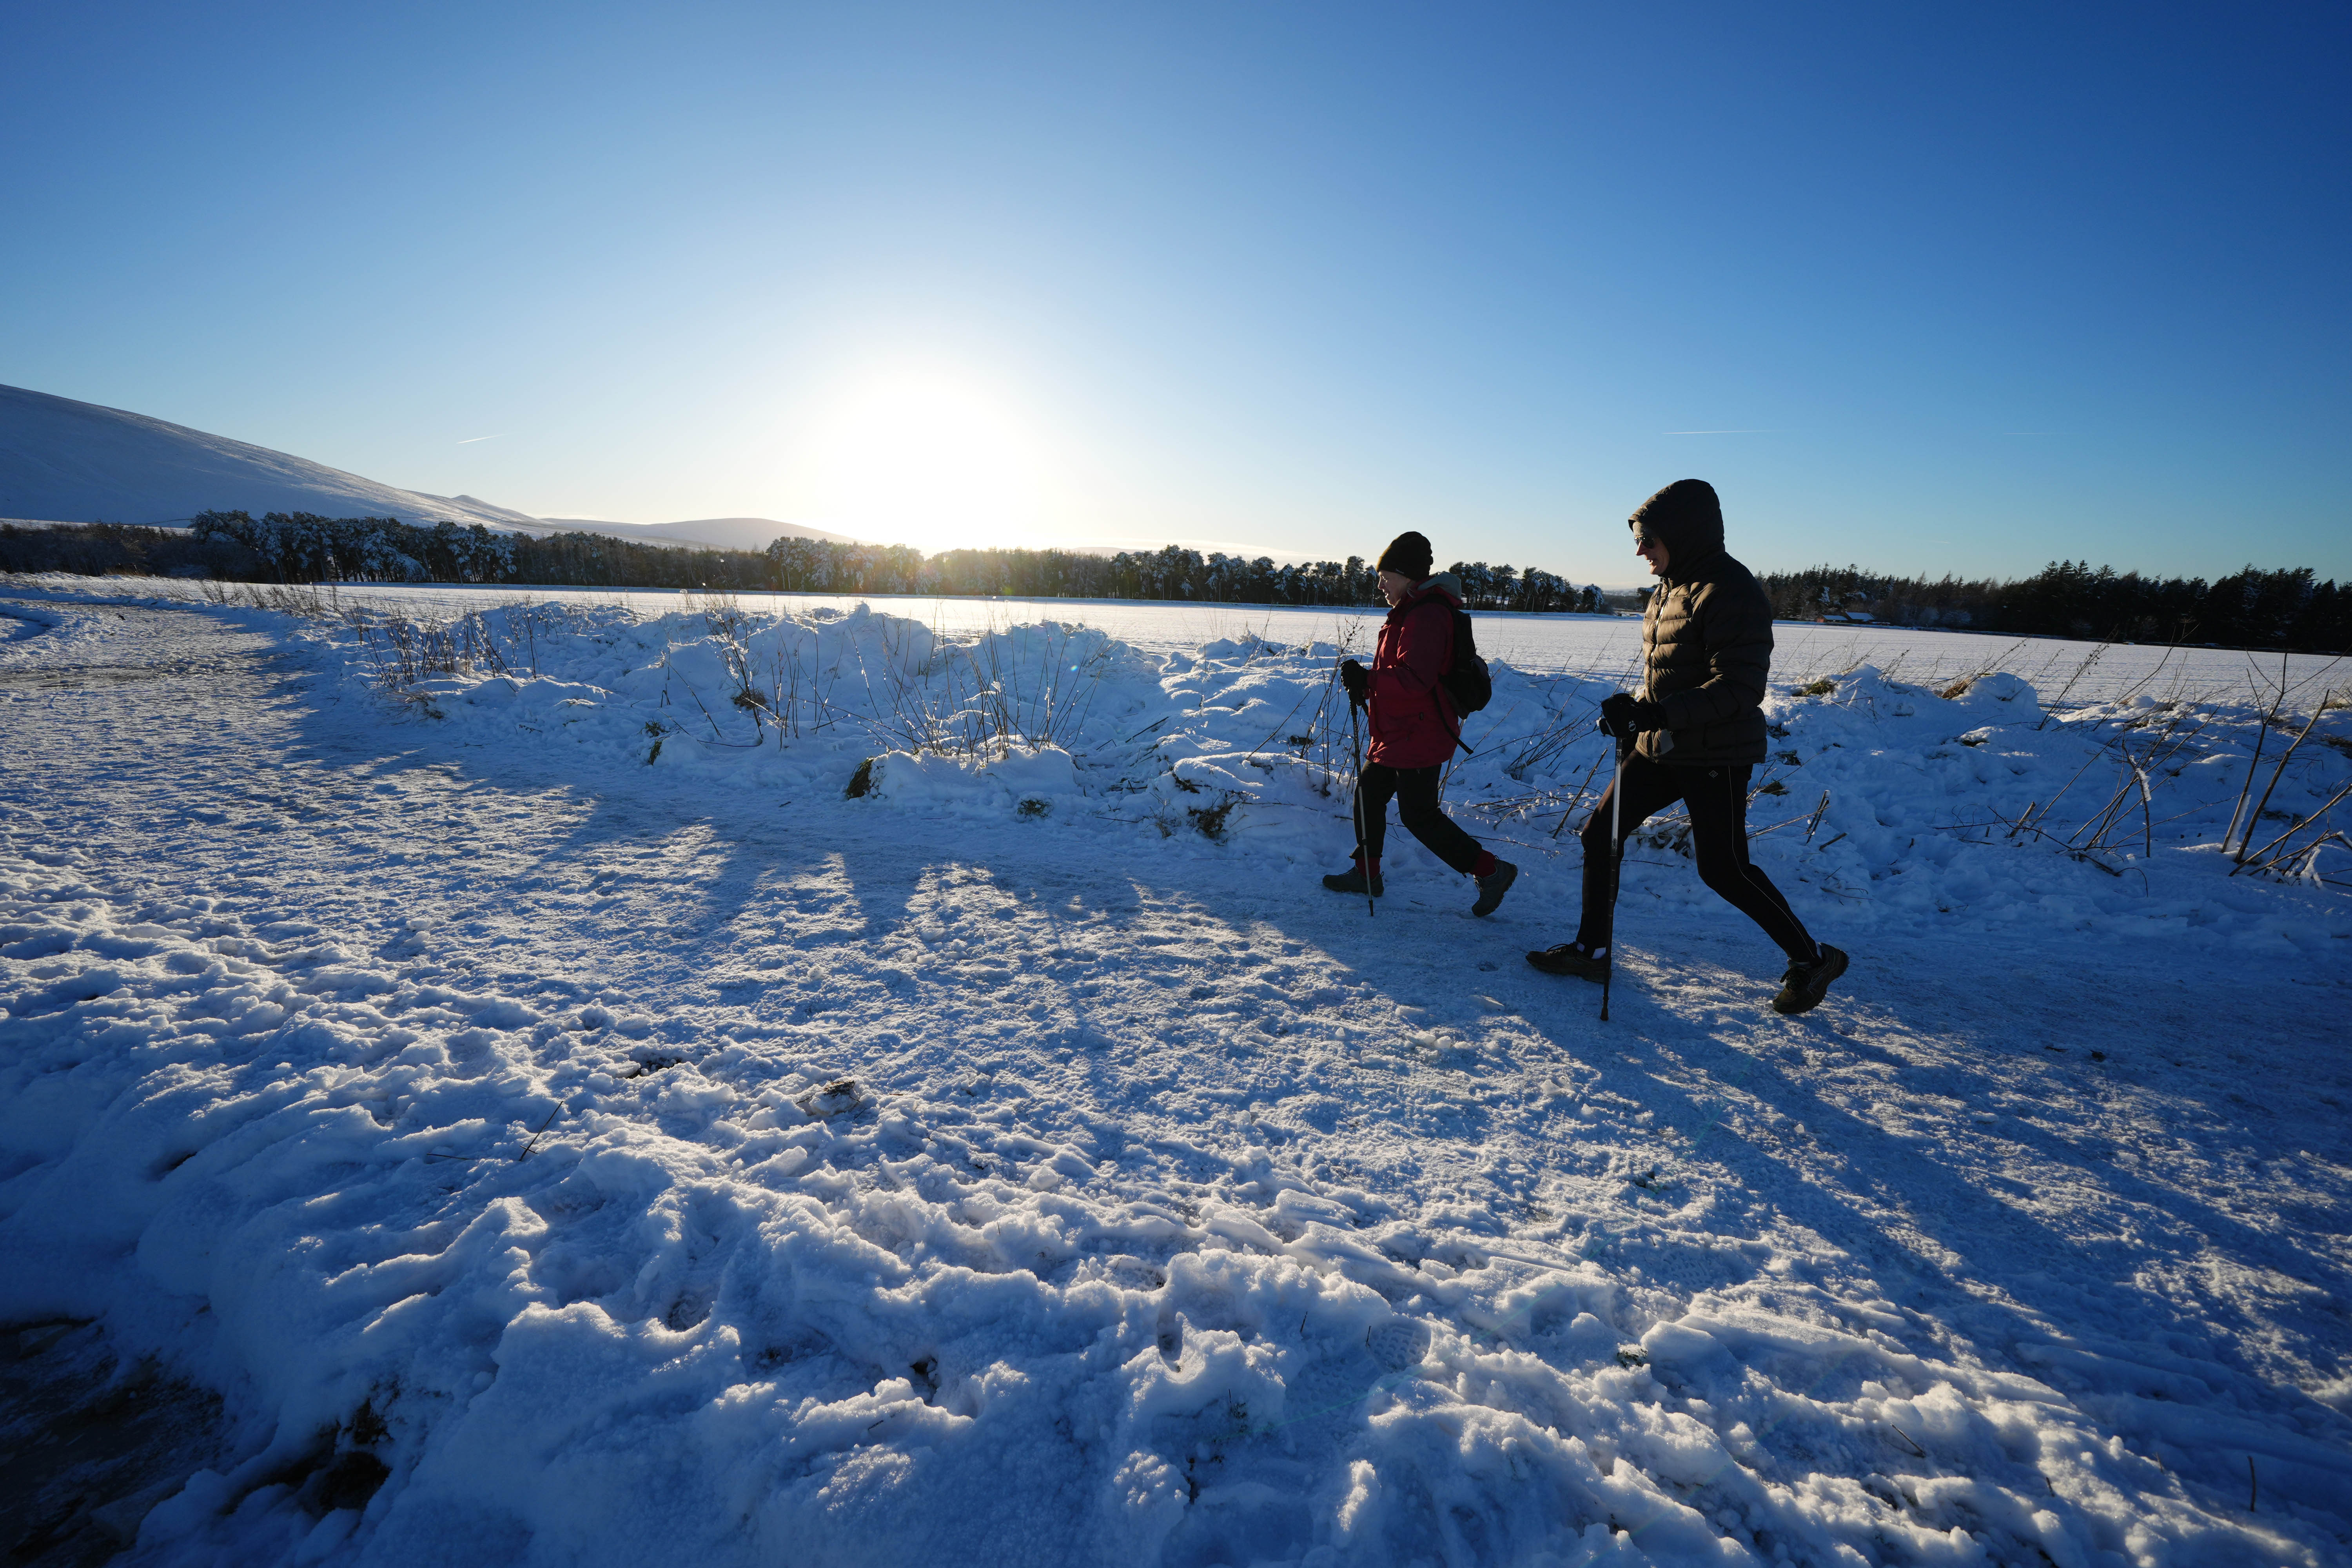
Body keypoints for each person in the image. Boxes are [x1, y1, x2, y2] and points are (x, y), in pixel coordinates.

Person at [1527, 481, 1849, 1015]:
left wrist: (1657, 712)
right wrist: (1635, 711)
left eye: (1648, 540)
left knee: (1723, 869)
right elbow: (1674, 675)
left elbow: (1740, 688)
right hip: (1662, 744)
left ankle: (1813, 959)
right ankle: (1592, 951)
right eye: (1639, 540)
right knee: (1599, 834)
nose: (1640, 551)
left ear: (1683, 534)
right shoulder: (1672, 588)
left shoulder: (1731, 591)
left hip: (1715, 753)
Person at [1323, 531, 1518, 916]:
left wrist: (1369, 680)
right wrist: (1365, 684)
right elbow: (1400, 674)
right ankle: (1367, 873)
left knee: (1419, 815)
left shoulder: (1427, 614)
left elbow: (1415, 679)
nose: (1380, 583)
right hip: (1401, 730)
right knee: (1369, 794)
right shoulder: (1412, 610)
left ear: (1408, 576)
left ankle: (1491, 871)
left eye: (1386, 576)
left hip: (1420, 732)